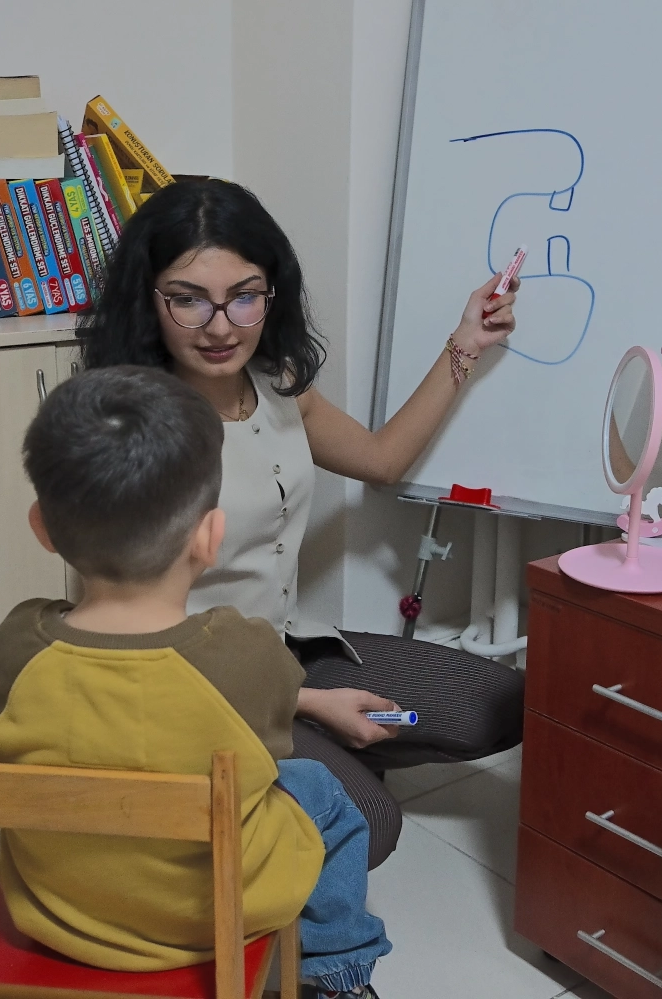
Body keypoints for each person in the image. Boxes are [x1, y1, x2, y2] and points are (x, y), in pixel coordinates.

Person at [79, 179, 526, 867]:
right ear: (149, 298)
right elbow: (137, 644)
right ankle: (304, 751)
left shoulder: (275, 381)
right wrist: (310, 703)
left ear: (272, 292)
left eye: (244, 296)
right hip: (195, 692)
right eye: (188, 299)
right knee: (368, 826)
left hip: (286, 652)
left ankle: (321, 751)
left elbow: (381, 460)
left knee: (498, 705)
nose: (221, 326)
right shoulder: (131, 431)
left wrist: (465, 342)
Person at [0, 365, 392, 997]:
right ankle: (339, 976)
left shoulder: (16, 642)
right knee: (317, 788)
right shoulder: (242, 653)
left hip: (64, 911)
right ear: (210, 536)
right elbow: (268, 754)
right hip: (210, 916)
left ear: (43, 527)